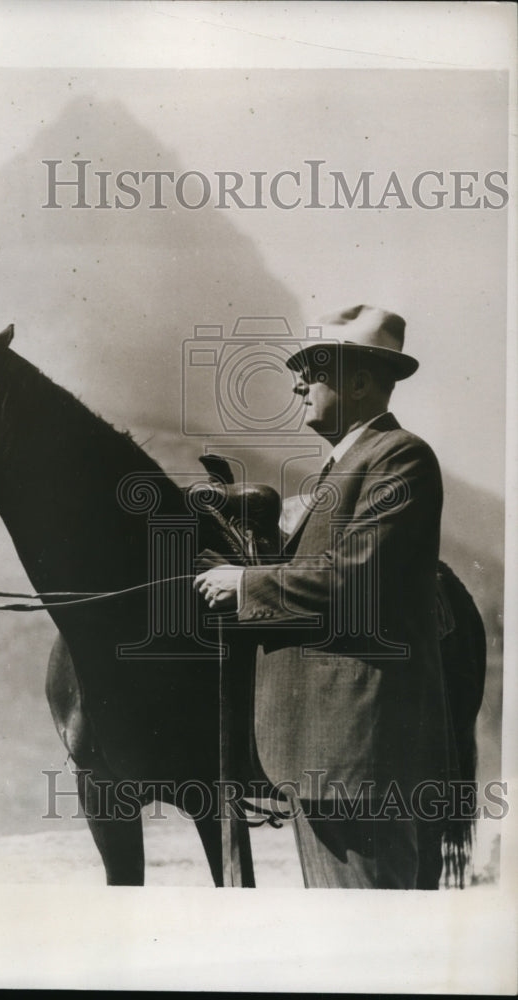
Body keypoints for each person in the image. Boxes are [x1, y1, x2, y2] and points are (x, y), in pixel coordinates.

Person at [194, 304, 453, 889]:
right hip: (326, 753)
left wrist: (244, 584)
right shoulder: (343, 470)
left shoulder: (399, 457)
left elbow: (351, 578)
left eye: (314, 369)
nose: (298, 382)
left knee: (369, 931)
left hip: (359, 755)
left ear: (361, 381)